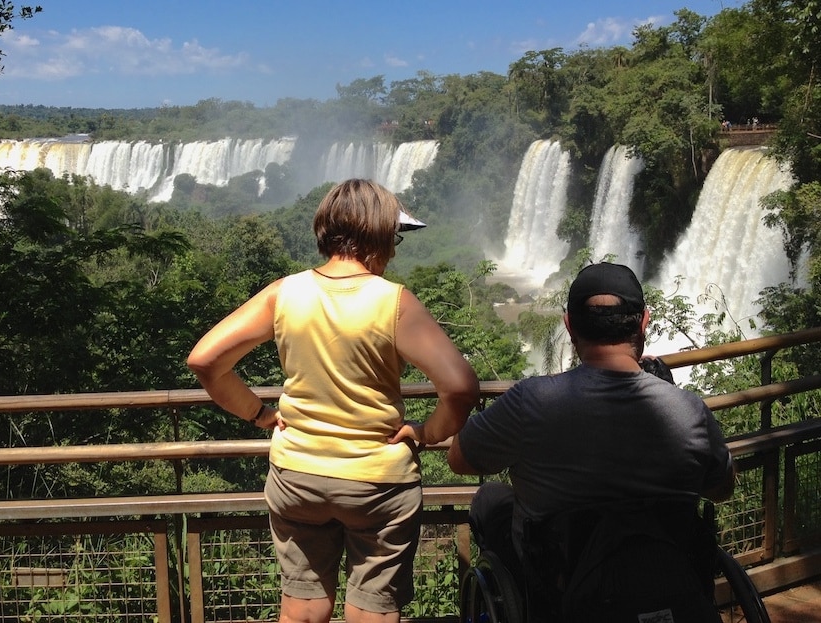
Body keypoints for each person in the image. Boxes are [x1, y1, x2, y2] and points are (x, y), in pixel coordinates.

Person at [187, 178, 480, 623]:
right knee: (372, 612)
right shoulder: (394, 302)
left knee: (303, 610)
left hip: (298, 476)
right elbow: (459, 388)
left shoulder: (284, 293)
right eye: (394, 238)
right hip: (377, 481)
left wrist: (261, 414)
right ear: (380, 236)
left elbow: (205, 360)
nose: (395, 250)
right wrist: (425, 433)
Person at [447, 261, 736, 619]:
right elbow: (721, 488)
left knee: (490, 499)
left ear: (569, 326)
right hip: (667, 583)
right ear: (644, 322)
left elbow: (459, 459)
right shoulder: (689, 410)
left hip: (560, 593)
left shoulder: (533, 402)